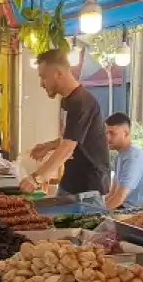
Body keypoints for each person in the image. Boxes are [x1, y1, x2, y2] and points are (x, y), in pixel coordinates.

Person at [20, 49, 110, 200]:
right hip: (71, 180)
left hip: (89, 187)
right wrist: (49, 145)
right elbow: (74, 136)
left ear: (58, 73)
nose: (41, 84)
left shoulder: (82, 102)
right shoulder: (67, 101)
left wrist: (36, 178)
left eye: (43, 77)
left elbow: (68, 148)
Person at [104, 113, 143, 209]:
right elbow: (112, 194)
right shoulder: (120, 157)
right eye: (106, 133)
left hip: (135, 212)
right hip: (122, 207)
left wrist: (94, 216)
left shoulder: (133, 158)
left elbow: (119, 198)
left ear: (126, 133)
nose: (107, 137)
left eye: (112, 133)